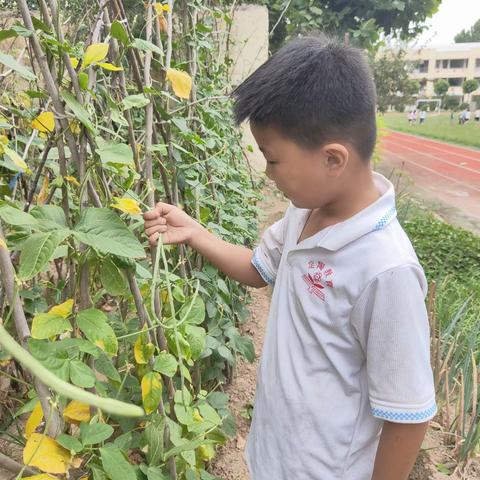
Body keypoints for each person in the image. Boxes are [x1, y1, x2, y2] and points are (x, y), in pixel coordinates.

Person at [144, 35, 436, 480]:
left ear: (333, 159)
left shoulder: (386, 270)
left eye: (272, 159)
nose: (266, 172)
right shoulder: (306, 211)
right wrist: (196, 234)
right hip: (276, 456)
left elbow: (408, 414)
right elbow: (259, 269)